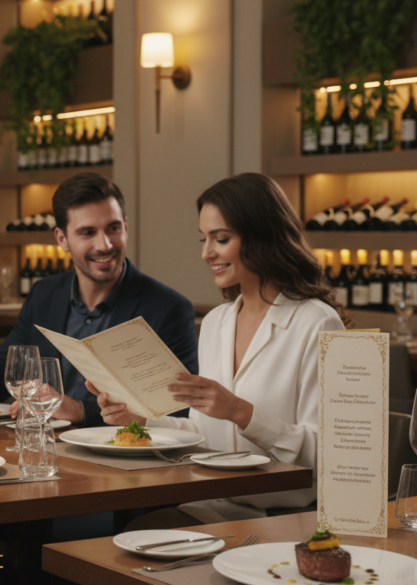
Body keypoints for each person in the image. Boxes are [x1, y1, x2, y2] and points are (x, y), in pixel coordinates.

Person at [91, 172, 348, 526]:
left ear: (260, 236)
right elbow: (203, 436)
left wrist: (242, 413)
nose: (206, 252)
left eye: (221, 239)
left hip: (287, 517)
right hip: (212, 507)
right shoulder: (216, 322)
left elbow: (330, 455)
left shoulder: (318, 323)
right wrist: (141, 420)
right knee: (124, 537)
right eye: (204, 239)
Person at [0, 172, 198, 427]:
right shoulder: (45, 294)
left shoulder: (168, 309)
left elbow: (178, 416)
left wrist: (79, 410)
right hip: (45, 454)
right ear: (62, 239)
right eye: (88, 233)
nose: (105, 245)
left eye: (113, 228)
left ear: (126, 227)